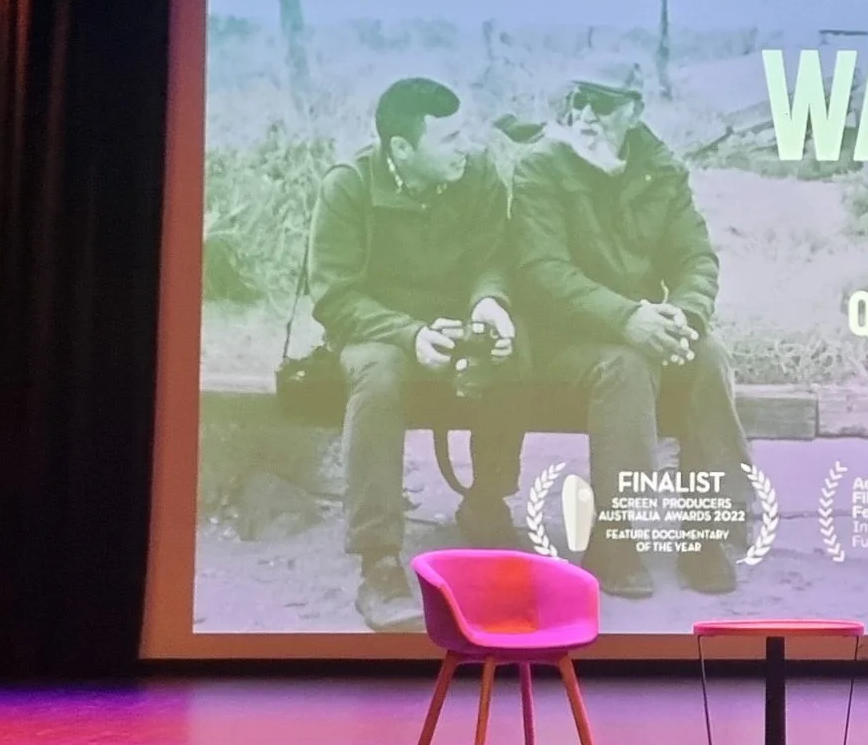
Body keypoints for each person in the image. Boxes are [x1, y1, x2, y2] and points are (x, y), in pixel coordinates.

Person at [510, 66, 754, 598]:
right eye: (578, 100)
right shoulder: (541, 166)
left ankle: (707, 532)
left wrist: (684, 316)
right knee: (625, 366)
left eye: (602, 104)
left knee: (708, 355)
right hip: (560, 341)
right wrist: (626, 319)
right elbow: (540, 271)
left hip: (642, 328)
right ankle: (615, 539)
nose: (585, 115)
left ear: (634, 112)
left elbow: (695, 258)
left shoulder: (661, 170)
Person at [311, 77, 525, 631]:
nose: (465, 148)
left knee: (513, 347)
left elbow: (494, 257)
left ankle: (486, 502)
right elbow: (334, 296)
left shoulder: (477, 174)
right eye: (449, 139)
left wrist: (489, 302)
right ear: (401, 148)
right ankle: (378, 561)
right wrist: (410, 334)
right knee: (378, 378)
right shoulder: (349, 186)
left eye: (464, 133)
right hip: (377, 331)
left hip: (456, 321)